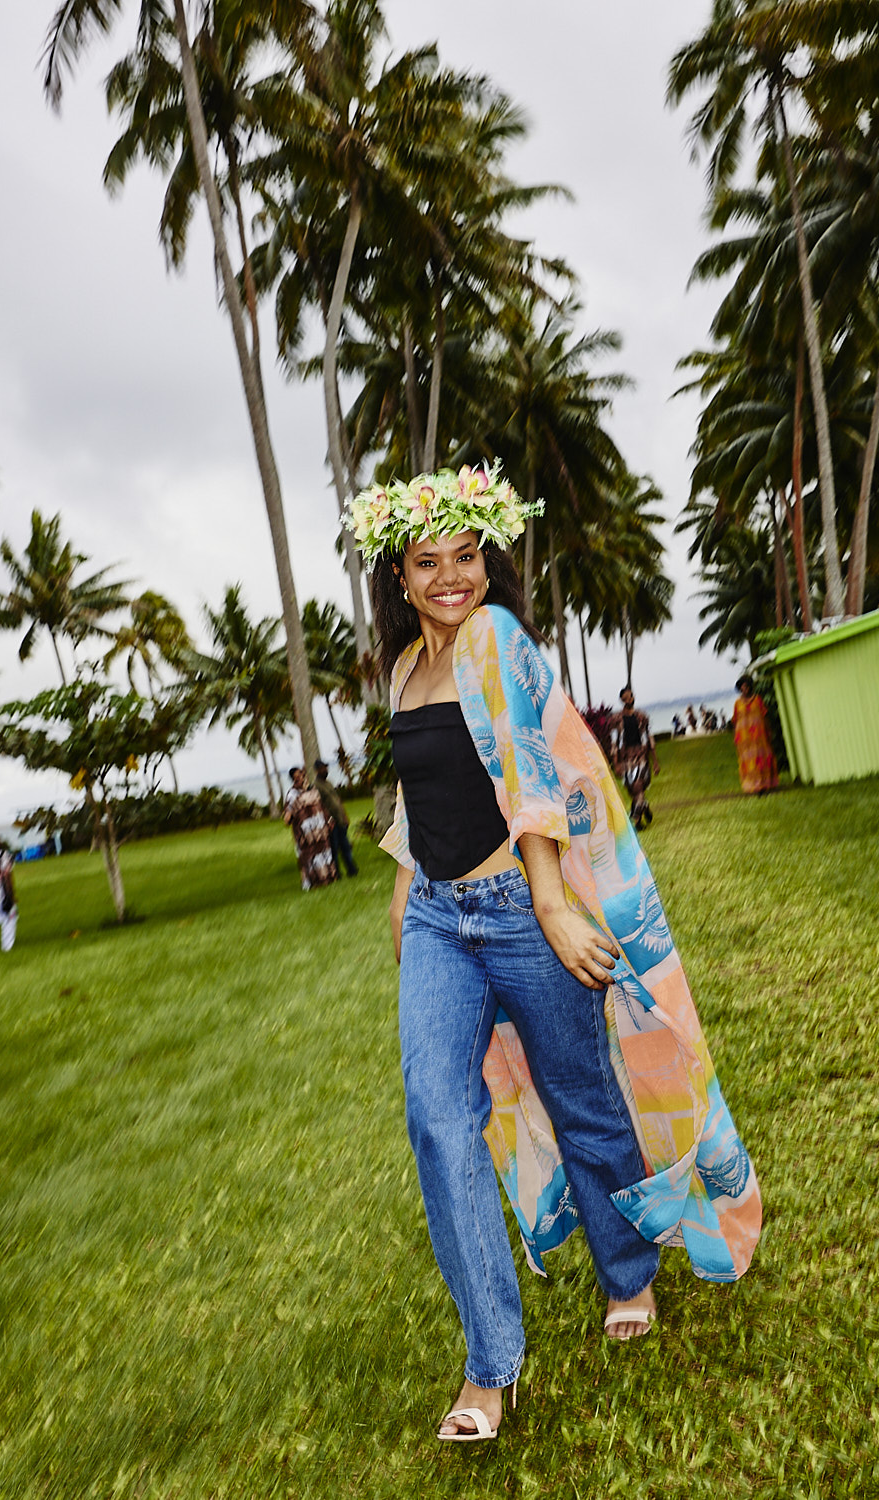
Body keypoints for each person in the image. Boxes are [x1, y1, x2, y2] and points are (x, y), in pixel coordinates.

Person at [347, 464, 761, 1444]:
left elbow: (532, 776)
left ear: (486, 559)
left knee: (583, 1105)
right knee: (438, 1121)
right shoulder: (404, 668)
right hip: (445, 920)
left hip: (527, 911)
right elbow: (416, 795)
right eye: (426, 561)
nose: (451, 576)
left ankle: (628, 1273)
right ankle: (489, 1369)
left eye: (466, 556)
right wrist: (406, 898)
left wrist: (549, 901)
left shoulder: (501, 643)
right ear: (398, 577)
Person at [282, 768, 338, 889]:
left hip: (320, 831)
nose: (300, 779)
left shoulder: (313, 790)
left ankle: (327, 879)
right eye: (297, 777)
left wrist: (329, 820)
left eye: (302, 775)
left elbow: (321, 807)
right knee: (309, 858)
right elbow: (287, 819)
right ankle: (311, 883)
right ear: (293, 779)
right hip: (305, 834)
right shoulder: (292, 795)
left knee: (324, 854)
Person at [613, 687, 660, 830]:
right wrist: (616, 763)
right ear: (622, 700)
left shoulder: (641, 717)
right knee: (632, 790)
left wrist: (655, 761)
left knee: (638, 786)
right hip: (627, 758)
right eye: (626, 698)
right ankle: (643, 806)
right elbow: (615, 742)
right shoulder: (617, 720)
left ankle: (637, 821)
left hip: (641, 757)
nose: (630, 700)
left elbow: (649, 738)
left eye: (631, 697)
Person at [733, 676, 779, 795]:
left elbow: (764, 714)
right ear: (740, 688)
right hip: (744, 738)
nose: (745, 688)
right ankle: (751, 785)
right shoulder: (737, 703)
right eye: (742, 686)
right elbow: (735, 720)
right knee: (748, 760)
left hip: (759, 735)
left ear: (750, 686)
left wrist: (768, 730)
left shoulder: (757, 699)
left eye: (747, 686)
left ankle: (764, 783)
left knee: (761, 757)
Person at [313, 760, 358, 878]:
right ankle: (336, 873)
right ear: (317, 770)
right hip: (330, 822)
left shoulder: (328, 783)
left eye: (325, 768)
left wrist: (344, 815)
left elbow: (338, 800)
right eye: (322, 768)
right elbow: (319, 806)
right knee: (334, 848)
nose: (325, 770)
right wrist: (328, 820)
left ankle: (351, 869)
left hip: (340, 820)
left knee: (345, 846)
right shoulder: (316, 786)